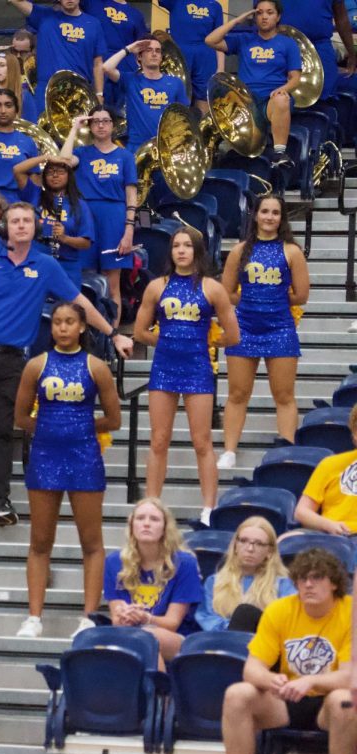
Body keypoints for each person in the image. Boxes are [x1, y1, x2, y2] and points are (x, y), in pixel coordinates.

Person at [0, 203, 133, 525]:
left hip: (13, 359)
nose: (21, 226)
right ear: (4, 228)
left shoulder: (46, 264)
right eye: (15, 221)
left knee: (4, 429)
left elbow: (79, 303)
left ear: (35, 227)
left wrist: (114, 333)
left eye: (26, 220)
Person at [14, 303, 120, 638]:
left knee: (91, 541)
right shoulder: (35, 365)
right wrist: (49, 428)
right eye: (57, 322)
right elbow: (20, 417)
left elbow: (114, 419)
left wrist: (81, 427)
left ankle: (89, 615)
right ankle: (34, 617)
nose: (62, 328)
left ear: (82, 327)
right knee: (40, 540)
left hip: (84, 456)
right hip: (45, 456)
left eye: (69, 322)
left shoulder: (97, 367)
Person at [220, 548, 356, 754]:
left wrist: (311, 681)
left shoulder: (350, 613)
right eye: (302, 579)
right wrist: (270, 679)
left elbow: (350, 677)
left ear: (335, 583)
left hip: (327, 705)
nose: (308, 584)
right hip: (287, 699)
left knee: (344, 700)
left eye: (317, 578)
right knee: (236, 694)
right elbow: (251, 669)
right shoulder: (279, 610)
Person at [132, 226, 239, 525]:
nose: (181, 250)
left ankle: (209, 508)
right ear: (170, 252)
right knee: (158, 440)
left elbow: (233, 334)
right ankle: (152, 505)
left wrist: (205, 343)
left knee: (202, 441)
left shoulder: (212, 287)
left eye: (187, 245)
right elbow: (140, 331)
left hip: (197, 369)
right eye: (176, 245)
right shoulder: (157, 286)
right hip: (164, 368)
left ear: (197, 251)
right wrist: (165, 341)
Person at [218, 195, 309, 468]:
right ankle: (230, 451)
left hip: (280, 328)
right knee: (237, 393)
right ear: (255, 215)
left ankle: (287, 452)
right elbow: (226, 292)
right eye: (265, 211)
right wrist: (251, 301)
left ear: (282, 218)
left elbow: (302, 295)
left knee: (284, 395)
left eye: (276, 213)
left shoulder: (291, 251)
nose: (270, 217)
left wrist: (274, 300)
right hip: (244, 328)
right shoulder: (239, 250)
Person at [103, 497, 203, 663]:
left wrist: (145, 618)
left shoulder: (185, 563)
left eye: (154, 519)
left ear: (165, 528)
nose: (146, 524)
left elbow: (172, 623)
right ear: (131, 525)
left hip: (177, 637)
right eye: (140, 518)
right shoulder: (114, 562)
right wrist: (127, 615)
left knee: (146, 638)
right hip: (132, 633)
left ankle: (157, 687)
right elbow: (117, 619)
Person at [63, 106, 139, 321]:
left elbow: (131, 194)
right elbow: (63, 161)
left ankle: (112, 337)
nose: (101, 125)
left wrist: (129, 230)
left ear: (113, 125)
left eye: (105, 121)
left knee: (112, 282)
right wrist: (74, 128)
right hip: (85, 217)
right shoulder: (82, 153)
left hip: (114, 217)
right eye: (96, 121)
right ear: (90, 126)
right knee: (84, 280)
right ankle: (86, 335)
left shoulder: (125, 156)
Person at [206, 2, 301, 166]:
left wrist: (283, 89)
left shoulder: (288, 44)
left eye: (270, 13)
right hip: (245, 102)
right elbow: (210, 40)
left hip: (271, 100)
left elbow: (295, 78)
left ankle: (279, 154)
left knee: (281, 99)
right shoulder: (244, 39)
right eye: (260, 13)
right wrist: (238, 20)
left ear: (277, 17)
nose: (264, 17)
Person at [196, 517, 295, 632]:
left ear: (270, 552)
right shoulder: (214, 582)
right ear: (235, 546)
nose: (250, 548)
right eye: (243, 541)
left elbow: (287, 623)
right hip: (222, 643)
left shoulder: (284, 584)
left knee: (245, 613)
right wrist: (236, 625)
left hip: (264, 643)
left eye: (259, 544)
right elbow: (208, 620)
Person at [6, 0, 108, 106]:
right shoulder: (44, 16)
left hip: (80, 91)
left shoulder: (94, 24)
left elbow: (98, 63)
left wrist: (99, 94)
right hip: (47, 89)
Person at [11, 158, 94, 287]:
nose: (55, 175)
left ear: (69, 175)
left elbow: (86, 243)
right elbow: (17, 170)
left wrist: (65, 238)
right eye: (50, 172)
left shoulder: (79, 205)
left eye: (60, 172)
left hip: (67, 265)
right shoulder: (35, 194)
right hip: (36, 261)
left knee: (67, 306)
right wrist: (47, 157)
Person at [102, 37, 189, 154]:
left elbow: (183, 117)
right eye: (149, 50)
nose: (154, 54)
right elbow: (106, 68)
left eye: (158, 51)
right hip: (136, 147)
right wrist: (129, 49)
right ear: (139, 56)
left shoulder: (176, 83)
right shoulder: (130, 80)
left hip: (166, 148)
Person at [294, 405, 357, 534]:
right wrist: (328, 525)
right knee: (287, 539)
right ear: (354, 433)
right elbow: (301, 512)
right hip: (332, 535)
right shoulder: (330, 464)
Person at [278, 0, 357, 102]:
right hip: (280, 47)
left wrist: (351, 54)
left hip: (320, 49)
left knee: (325, 99)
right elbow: (261, 14)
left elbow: (341, 17)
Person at [157, 0, 225, 111]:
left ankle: (202, 127)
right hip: (180, 56)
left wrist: (221, 67)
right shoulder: (176, 2)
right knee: (176, 96)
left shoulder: (215, 6)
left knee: (204, 97)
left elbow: (219, 39)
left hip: (206, 56)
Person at [80, 0, 150, 107]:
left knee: (124, 112)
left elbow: (141, 47)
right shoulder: (92, 3)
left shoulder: (136, 14)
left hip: (125, 69)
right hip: (97, 66)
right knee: (97, 112)